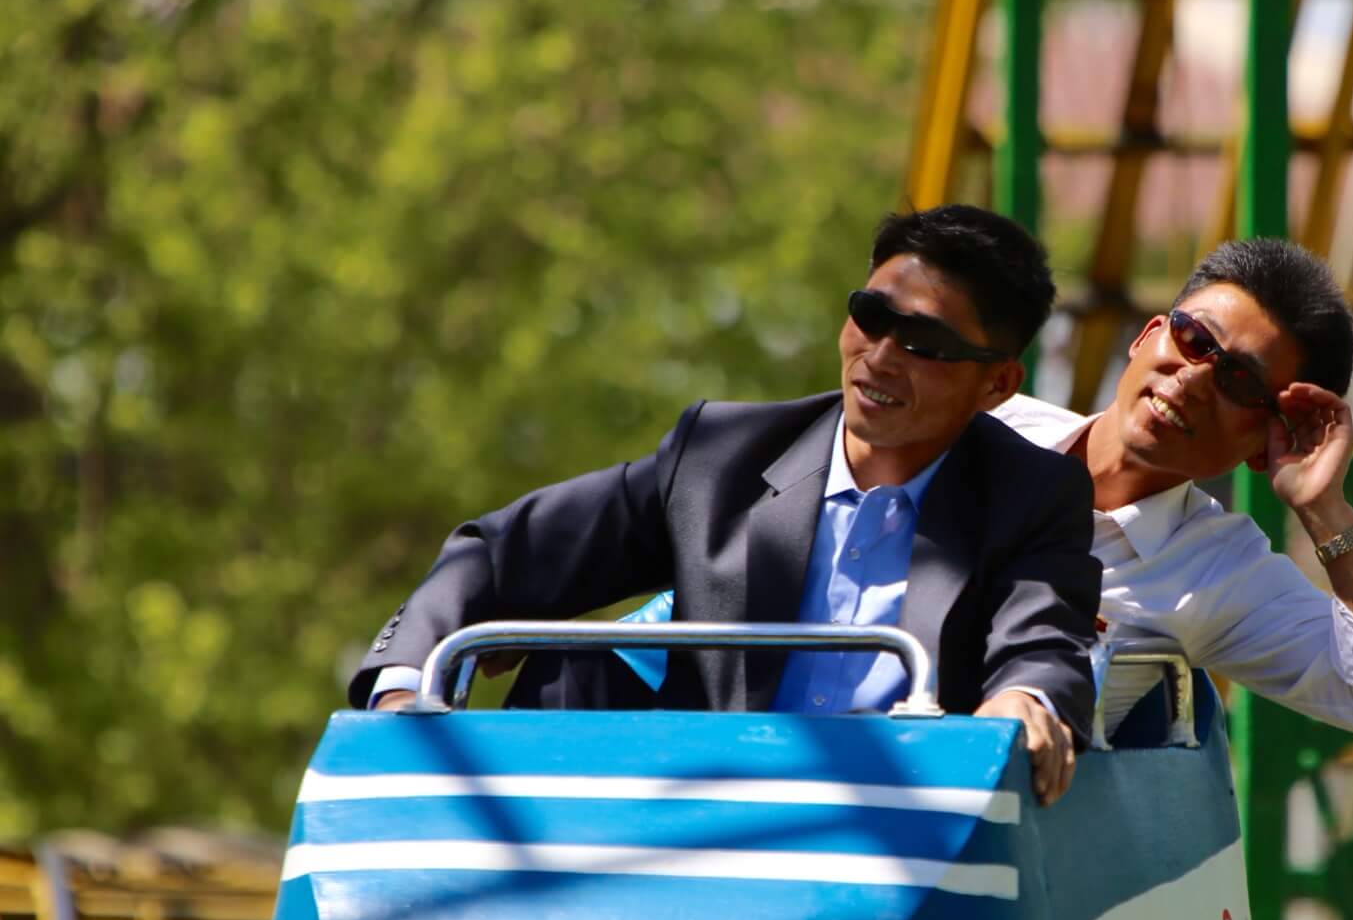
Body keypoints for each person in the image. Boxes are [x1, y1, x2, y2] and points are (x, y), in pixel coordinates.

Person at [562, 237, 1353, 744]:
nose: (1192, 380)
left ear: (1268, 433)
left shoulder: (1214, 569)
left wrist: (1324, 511)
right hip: (767, 765)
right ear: (1149, 335)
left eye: (1241, 385)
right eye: (1193, 340)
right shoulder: (980, 417)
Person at [354, 205, 1102, 803]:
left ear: (998, 385)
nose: (879, 357)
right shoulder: (719, 458)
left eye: (925, 344)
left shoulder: (1033, 494)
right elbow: (499, 551)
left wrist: (1025, 701)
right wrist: (405, 688)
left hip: (902, 843)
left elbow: (1041, 644)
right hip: (702, 831)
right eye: (871, 317)